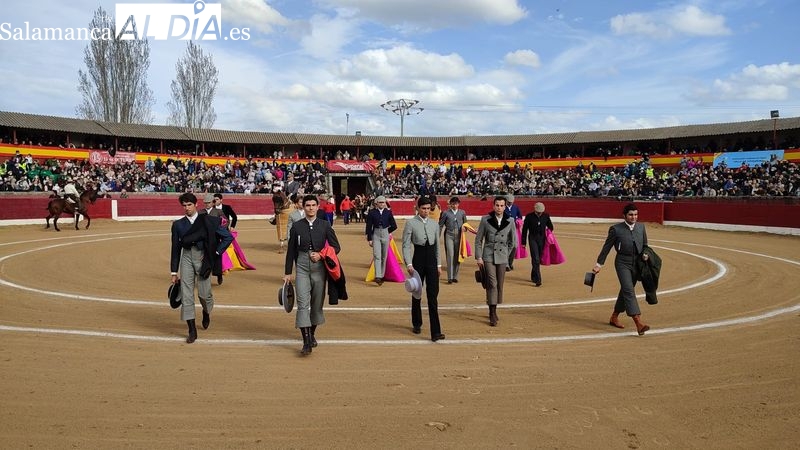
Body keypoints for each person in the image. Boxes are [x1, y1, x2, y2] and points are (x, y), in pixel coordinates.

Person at [170, 193, 233, 344]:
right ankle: (192, 329)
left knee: (204, 294)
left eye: (189, 205)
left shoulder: (208, 221)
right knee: (186, 293)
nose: (186, 208)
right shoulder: (178, 224)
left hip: (202, 258)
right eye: (184, 206)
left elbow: (228, 237)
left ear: (196, 204)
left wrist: (214, 253)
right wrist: (173, 271)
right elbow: (175, 248)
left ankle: (206, 311)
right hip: (186, 258)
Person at [283, 195, 341, 355]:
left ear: (317, 207)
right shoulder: (297, 226)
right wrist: (288, 272)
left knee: (316, 304)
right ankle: (306, 341)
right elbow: (291, 251)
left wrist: (322, 255)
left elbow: (336, 247)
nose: (310, 208)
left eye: (313, 205)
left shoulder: (324, 225)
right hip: (301, 266)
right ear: (303, 206)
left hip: (319, 268)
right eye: (307, 205)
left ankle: (312, 333)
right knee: (302, 303)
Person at [592, 203, 651, 336]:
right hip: (622, 263)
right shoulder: (616, 229)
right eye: (631, 214)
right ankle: (638, 323)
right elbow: (606, 247)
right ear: (624, 215)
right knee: (629, 290)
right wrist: (599, 264)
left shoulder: (641, 227)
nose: (634, 217)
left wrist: (646, 254)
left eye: (636, 214)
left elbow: (646, 245)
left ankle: (614, 317)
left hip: (637, 263)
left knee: (625, 290)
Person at [401, 196, 445, 342]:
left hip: (432, 261)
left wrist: (439, 264)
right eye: (423, 208)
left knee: (433, 297)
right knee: (417, 294)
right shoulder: (411, 223)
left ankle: (436, 331)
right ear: (418, 208)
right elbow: (406, 245)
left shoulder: (434, 224)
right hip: (418, 260)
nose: (426, 211)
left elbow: (437, 246)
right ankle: (417, 322)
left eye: (428, 208)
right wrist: (408, 264)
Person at [474, 196, 517, 327]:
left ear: (505, 207)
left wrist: (506, 256)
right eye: (497, 205)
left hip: (502, 257)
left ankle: (494, 308)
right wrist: (479, 257)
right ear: (493, 206)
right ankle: (492, 313)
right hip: (488, 256)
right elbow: (478, 240)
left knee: (499, 285)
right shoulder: (485, 220)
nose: (499, 208)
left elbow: (512, 243)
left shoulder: (510, 221)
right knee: (492, 283)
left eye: (501, 205)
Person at [365, 195, 397, 285]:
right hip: (376, 234)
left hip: (385, 233)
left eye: (383, 202)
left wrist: (387, 231)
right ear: (376, 203)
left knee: (384, 256)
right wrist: (369, 238)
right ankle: (378, 276)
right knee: (377, 255)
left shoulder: (388, 212)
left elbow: (394, 225)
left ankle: (382, 275)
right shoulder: (372, 212)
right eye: (380, 202)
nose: (382, 204)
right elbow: (368, 226)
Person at [521, 202, 554, 287]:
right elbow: (525, 230)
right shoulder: (529, 216)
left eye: (541, 212)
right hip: (532, 238)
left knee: (538, 258)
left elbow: (551, 227)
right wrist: (523, 242)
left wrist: (548, 232)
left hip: (542, 239)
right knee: (535, 258)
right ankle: (538, 279)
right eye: (539, 212)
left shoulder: (546, 216)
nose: (540, 213)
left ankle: (533, 275)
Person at [438, 196, 467, 284]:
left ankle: (455, 276)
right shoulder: (445, 213)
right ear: (450, 204)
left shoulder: (462, 213)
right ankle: (450, 277)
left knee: (457, 256)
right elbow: (440, 225)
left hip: (459, 236)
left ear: (458, 204)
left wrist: (464, 229)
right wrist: (437, 236)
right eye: (453, 204)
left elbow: (466, 224)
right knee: (450, 255)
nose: (454, 206)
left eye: (456, 204)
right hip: (449, 235)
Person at [505, 194, 523, 271]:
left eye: (511, 202)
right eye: (509, 202)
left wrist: (518, 220)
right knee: (505, 246)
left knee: (514, 246)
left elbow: (520, 216)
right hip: (504, 229)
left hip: (514, 229)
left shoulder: (515, 207)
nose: (510, 203)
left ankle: (510, 262)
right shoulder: (502, 207)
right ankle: (506, 264)